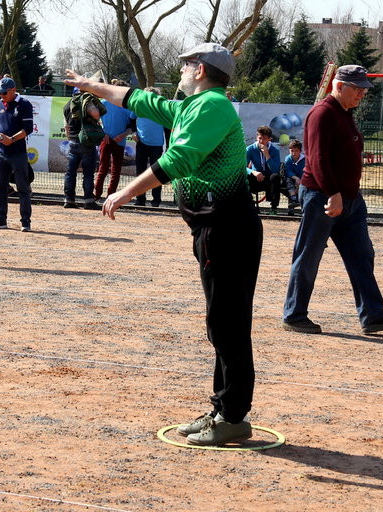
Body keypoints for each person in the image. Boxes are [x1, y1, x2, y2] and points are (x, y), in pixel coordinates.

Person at [64, 42, 263, 447]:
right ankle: (223, 409)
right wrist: (91, 85)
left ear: (201, 70)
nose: (182, 69)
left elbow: (178, 160)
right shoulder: (193, 105)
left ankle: (235, 417)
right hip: (214, 228)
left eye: (188, 63)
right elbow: (137, 98)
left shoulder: (211, 106)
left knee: (227, 325)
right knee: (221, 322)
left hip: (227, 227)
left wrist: (124, 193)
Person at [281, 65, 383, 335]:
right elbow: (317, 159)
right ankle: (294, 314)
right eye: (358, 88)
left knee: (362, 255)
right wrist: (333, 194)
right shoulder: (322, 114)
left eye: (364, 88)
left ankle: (373, 315)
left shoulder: (344, 113)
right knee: (309, 255)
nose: (363, 93)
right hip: (323, 197)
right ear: (339, 86)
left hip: (349, 198)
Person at [0, 77, 34, 232]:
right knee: (0, 187)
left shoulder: (24, 104)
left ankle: (25, 221)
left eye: (4, 93)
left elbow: (28, 128)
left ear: (13, 90)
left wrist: (12, 139)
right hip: (2, 153)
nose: (1, 96)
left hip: (18, 153)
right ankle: (1, 219)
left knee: (23, 188)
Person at [63, 83, 107, 209]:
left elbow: (66, 126)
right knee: (88, 173)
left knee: (70, 172)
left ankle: (69, 200)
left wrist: (71, 138)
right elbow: (96, 115)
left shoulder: (67, 105)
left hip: (72, 141)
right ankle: (88, 201)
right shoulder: (86, 101)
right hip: (86, 141)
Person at [94, 79, 135, 202]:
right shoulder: (103, 103)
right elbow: (93, 120)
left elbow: (132, 125)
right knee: (103, 168)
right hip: (105, 140)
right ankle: (96, 195)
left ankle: (111, 196)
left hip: (120, 141)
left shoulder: (128, 106)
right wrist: (102, 133)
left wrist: (124, 134)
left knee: (116, 171)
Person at [133, 86, 165, 207]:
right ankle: (140, 199)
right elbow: (131, 120)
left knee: (157, 173)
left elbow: (167, 128)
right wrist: (134, 132)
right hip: (141, 143)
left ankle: (156, 200)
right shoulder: (138, 106)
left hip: (157, 145)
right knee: (140, 172)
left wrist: (169, 145)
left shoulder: (161, 109)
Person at [246, 126, 282, 214]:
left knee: (275, 177)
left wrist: (267, 155)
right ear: (256, 137)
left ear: (269, 139)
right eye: (260, 138)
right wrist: (253, 172)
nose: (261, 141)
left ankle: (273, 207)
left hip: (268, 178)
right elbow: (243, 167)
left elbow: (275, 169)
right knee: (244, 177)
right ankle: (248, 205)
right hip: (256, 177)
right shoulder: (250, 149)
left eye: (265, 139)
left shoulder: (275, 150)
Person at [282, 139, 304, 215]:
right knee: (288, 180)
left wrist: (299, 183)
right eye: (292, 151)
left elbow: (304, 172)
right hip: (292, 178)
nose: (294, 153)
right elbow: (288, 171)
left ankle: (301, 206)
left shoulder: (304, 160)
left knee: (304, 186)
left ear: (300, 151)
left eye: (296, 151)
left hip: (302, 180)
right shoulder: (288, 159)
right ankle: (293, 199)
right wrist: (295, 178)